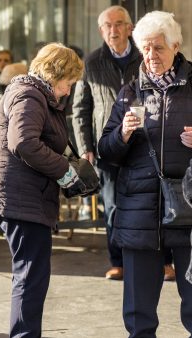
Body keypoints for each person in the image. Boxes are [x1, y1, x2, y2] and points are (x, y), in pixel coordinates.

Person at [0, 43, 83, 337]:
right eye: (68, 83)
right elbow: (22, 142)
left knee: (30, 274)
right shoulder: (29, 94)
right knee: (30, 275)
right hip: (17, 195)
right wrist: (65, 170)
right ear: (54, 73)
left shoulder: (34, 93)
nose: (69, 91)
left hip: (21, 194)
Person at [98, 11, 192, 336]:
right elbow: (106, 151)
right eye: (146, 49)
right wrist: (121, 135)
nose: (151, 56)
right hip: (139, 215)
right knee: (138, 314)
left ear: (176, 46)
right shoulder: (129, 93)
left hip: (189, 213)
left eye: (158, 48)